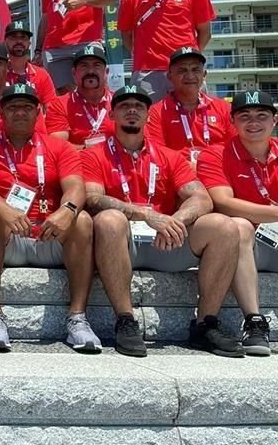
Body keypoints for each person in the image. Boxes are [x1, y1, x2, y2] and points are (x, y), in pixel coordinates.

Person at [82, 85, 243, 358]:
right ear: (112, 115)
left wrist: (176, 220)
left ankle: (205, 325)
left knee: (224, 226)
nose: (132, 111)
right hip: (121, 242)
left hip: (164, 241)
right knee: (109, 219)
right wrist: (147, 215)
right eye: (124, 106)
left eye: (139, 107)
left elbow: (202, 198)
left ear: (148, 116)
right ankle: (126, 320)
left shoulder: (169, 156)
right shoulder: (94, 154)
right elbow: (92, 199)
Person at [0, 83, 98, 353]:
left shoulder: (58, 147)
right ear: (1, 112)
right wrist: (6, 211)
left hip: (49, 235)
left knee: (82, 220)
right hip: (10, 239)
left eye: (27, 107)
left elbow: (76, 187)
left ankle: (77, 318)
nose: (20, 113)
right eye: (13, 107)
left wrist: (66, 211)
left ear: (38, 112)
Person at [196, 89, 277, 356]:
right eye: (245, 116)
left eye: (261, 115)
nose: (253, 122)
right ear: (233, 121)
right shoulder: (215, 153)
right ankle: (254, 321)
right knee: (239, 225)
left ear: (274, 121)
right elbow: (224, 203)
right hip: (245, 245)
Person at [117, 0, 215, 101]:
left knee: (194, 119)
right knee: (149, 121)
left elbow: (205, 32)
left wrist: (190, 58)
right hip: (147, 72)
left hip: (186, 70)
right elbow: (126, 36)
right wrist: (145, 55)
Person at [145, 47, 235, 164]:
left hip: (219, 171)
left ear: (204, 74)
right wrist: (188, 168)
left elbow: (235, 147)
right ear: (169, 76)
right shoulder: (156, 112)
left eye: (195, 70)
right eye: (182, 70)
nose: (190, 75)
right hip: (178, 175)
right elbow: (158, 153)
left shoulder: (223, 108)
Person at [46, 44, 114, 149]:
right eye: (84, 66)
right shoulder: (59, 105)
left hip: (115, 163)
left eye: (96, 65)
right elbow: (58, 147)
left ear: (106, 72)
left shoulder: (120, 103)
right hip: (77, 162)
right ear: (74, 73)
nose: (90, 71)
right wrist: (87, 149)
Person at [2, 20, 57, 103]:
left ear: (29, 43)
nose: (19, 41)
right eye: (14, 37)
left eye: (23, 37)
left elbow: (51, 109)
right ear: (5, 43)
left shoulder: (42, 75)